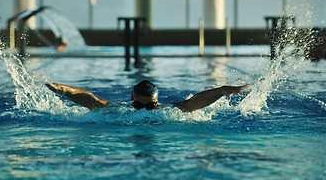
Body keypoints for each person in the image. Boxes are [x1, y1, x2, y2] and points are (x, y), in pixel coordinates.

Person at [46, 80, 249, 112]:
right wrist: (64, 90)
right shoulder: (167, 110)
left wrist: (222, 90)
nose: (144, 111)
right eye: (140, 107)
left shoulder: (122, 110)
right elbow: (90, 99)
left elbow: (192, 103)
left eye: (149, 106)